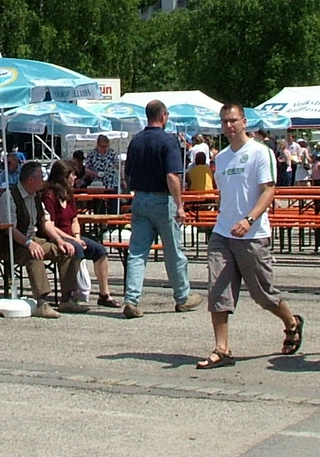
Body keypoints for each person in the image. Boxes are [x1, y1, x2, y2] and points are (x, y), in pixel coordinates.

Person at [197, 103, 303, 369]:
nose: (229, 126)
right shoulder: (220, 158)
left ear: (244, 122)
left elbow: (269, 190)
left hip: (253, 234)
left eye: (233, 121)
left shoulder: (260, 152)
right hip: (223, 232)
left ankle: (291, 322)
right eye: (224, 122)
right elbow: (225, 192)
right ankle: (222, 349)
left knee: (263, 294)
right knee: (218, 291)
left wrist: (249, 219)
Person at [121, 99, 201, 318]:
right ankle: (183, 297)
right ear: (163, 116)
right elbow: (172, 176)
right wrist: (180, 205)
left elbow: (126, 176)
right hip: (162, 200)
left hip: (140, 199)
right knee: (173, 251)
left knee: (137, 252)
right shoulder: (168, 141)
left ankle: (131, 299)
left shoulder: (135, 141)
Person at [0, 161, 66, 319]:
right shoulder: (9, 197)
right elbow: (9, 228)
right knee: (35, 254)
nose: (43, 181)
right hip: (11, 245)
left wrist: (60, 240)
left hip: (34, 238)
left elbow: (44, 221)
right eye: (41, 177)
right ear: (30, 179)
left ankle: (67, 298)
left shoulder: (35, 197)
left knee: (66, 250)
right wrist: (28, 243)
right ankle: (42, 302)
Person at [41, 157, 116, 310]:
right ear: (64, 176)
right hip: (56, 237)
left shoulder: (68, 194)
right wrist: (71, 239)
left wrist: (76, 236)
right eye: (72, 175)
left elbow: (74, 219)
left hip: (71, 236)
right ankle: (70, 295)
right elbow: (50, 225)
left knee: (99, 250)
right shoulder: (49, 196)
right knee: (76, 249)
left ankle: (104, 294)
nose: (75, 178)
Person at [85, 134, 121, 210]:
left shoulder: (112, 153)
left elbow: (117, 165)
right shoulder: (92, 154)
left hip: (111, 183)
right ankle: (99, 221)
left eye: (106, 146)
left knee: (113, 206)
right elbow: (86, 169)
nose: (104, 148)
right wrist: (95, 173)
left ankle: (113, 220)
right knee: (99, 207)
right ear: (97, 145)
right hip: (98, 184)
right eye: (102, 146)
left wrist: (116, 166)